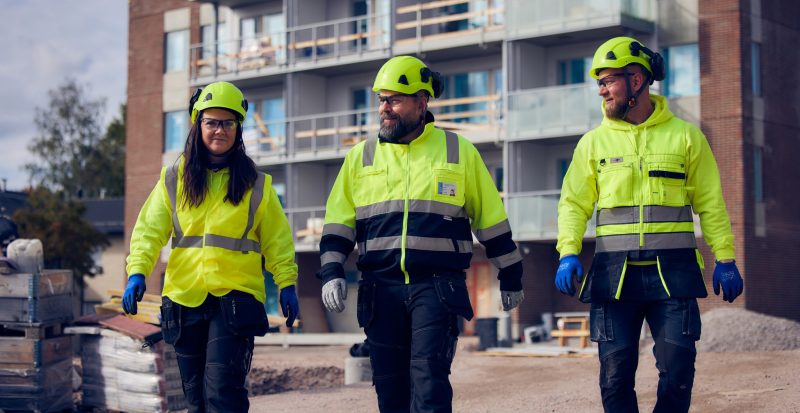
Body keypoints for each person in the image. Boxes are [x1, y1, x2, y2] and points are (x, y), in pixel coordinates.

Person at [318, 55, 525, 413]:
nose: (385, 108)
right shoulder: (361, 157)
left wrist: (511, 274)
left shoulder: (459, 153)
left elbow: (491, 221)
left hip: (437, 287)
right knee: (390, 391)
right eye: (382, 100)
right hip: (379, 289)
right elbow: (338, 226)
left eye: (394, 99)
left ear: (422, 101)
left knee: (429, 383)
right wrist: (332, 272)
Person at [554, 37, 744, 413]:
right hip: (613, 277)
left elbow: (710, 202)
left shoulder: (686, 137)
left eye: (608, 80)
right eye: (600, 83)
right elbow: (574, 204)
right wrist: (567, 252)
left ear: (636, 80)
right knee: (614, 376)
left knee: (678, 371)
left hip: (672, 277)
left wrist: (725, 257)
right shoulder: (592, 144)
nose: (602, 91)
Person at [123, 81, 299, 412]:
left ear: (238, 127)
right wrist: (137, 272)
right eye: (211, 122)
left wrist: (287, 282)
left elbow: (278, 240)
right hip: (184, 298)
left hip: (235, 298)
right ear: (198, 125)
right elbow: (148, 231)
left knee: (223, 394)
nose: (219, 130)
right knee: (196, 402)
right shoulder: (173, 179)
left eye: (227, 122)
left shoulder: (256, 184)